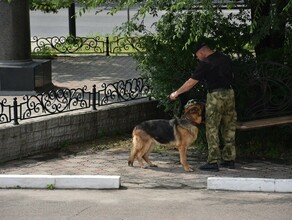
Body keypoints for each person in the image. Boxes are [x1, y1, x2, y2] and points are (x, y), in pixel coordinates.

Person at [169, 40, 237, 172]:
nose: (197, 58)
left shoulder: (206, 63)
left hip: (215, 96)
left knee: (212, 128)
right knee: (229, 127)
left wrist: (176, 93)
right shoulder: (225, 58)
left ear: (202, 52)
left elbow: (191, 83)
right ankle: (229, 160)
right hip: (230, 94)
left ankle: (213, 162)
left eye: (197, 55)